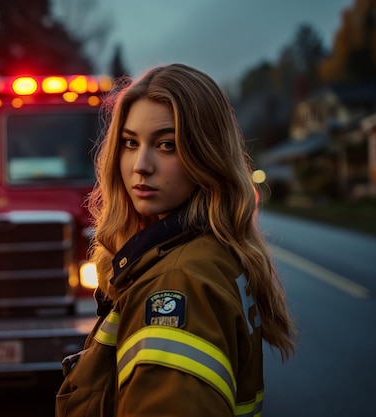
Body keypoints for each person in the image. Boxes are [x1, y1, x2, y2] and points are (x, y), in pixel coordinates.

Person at [55, 63, 297, 417]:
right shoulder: (200, 253)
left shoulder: (176, 284)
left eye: (167, 145)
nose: (141, 164)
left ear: (207, 155)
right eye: (130, 143)